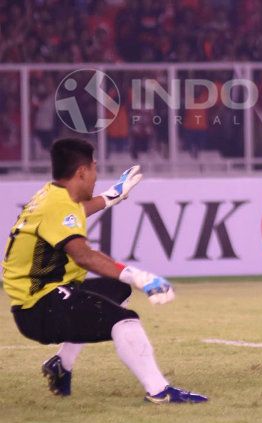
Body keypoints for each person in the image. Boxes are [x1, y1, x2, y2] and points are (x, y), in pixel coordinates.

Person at [2, 138, 208, 403]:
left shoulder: (51, 195)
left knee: (117, 290)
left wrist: (112, 196)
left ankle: (61, 365)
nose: (96, 176)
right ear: (82, 172)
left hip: (43, 298)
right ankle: (159, 392)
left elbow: (74, 212)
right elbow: (84, 256)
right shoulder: (58, 205)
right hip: (40, 308)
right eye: (94, 169)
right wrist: (139, 277)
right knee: (124, 319)